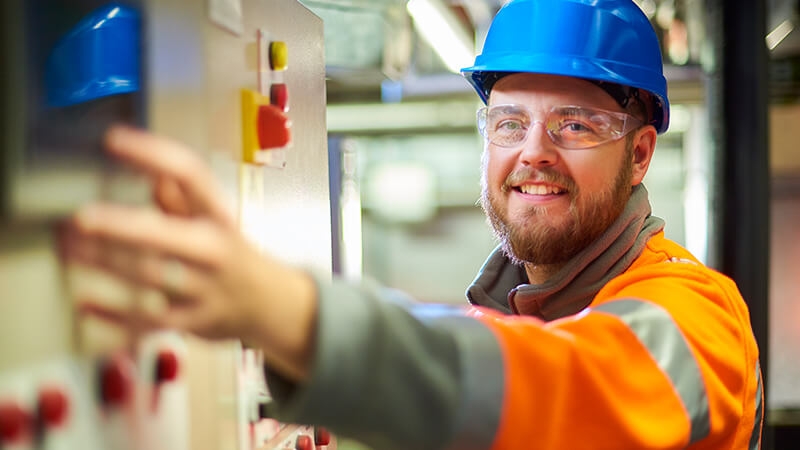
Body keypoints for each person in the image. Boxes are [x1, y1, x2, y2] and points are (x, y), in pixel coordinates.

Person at [58, 0, 763, 448]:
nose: (533, 153)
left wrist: (290, 313)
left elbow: (565, 392)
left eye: (575, 125)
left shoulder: (699, 319)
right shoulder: (517, 310)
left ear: (639, 153)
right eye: (510, 122)